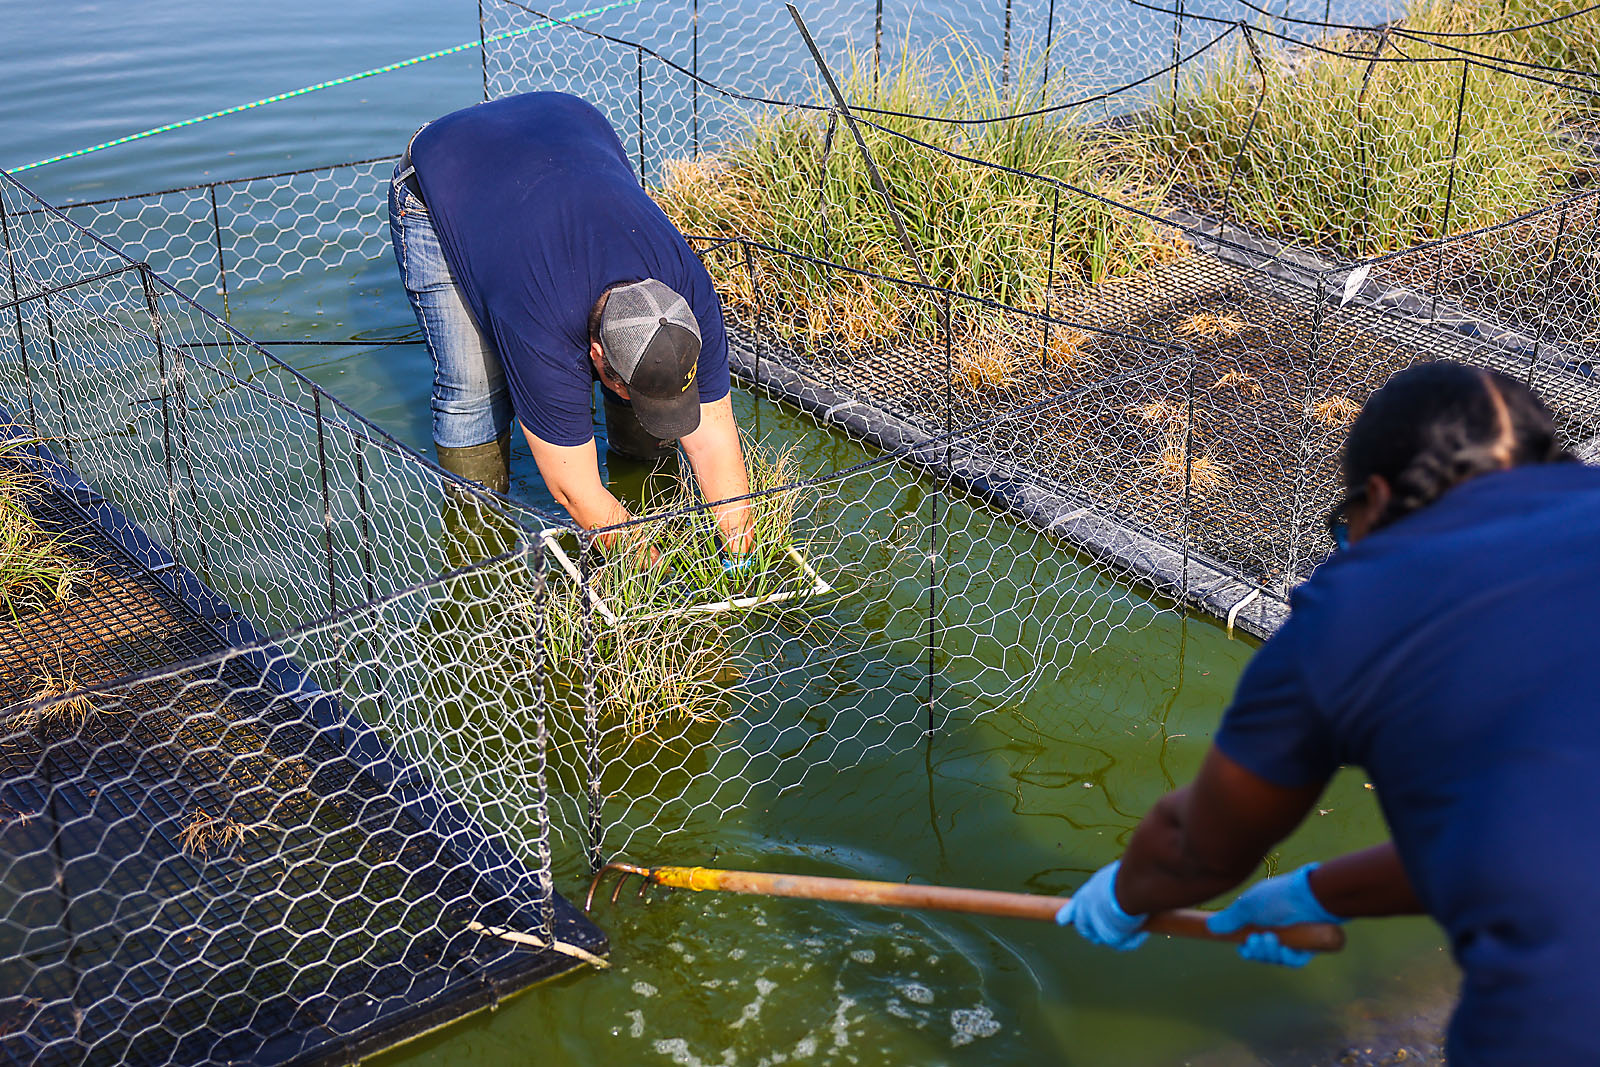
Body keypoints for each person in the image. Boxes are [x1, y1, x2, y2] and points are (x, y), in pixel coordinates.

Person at [1057, 361, 1600, 1064]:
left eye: (1349, 522)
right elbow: (1535, 836)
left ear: (1375, 497)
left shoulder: (1360, 605)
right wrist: (1315, 893)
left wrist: (1125, 893)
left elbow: (1197, 849)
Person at [387, 91, 753, 561]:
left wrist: (741, 549)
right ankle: (478, 530)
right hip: (443, 173)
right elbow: (572, 490)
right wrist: (652, 574)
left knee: (641, 377)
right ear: (595, 357)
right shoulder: (542, 324)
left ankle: (639, 459)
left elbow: (715, 440)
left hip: (569, 124)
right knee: (473, 386)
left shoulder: (692, 296)